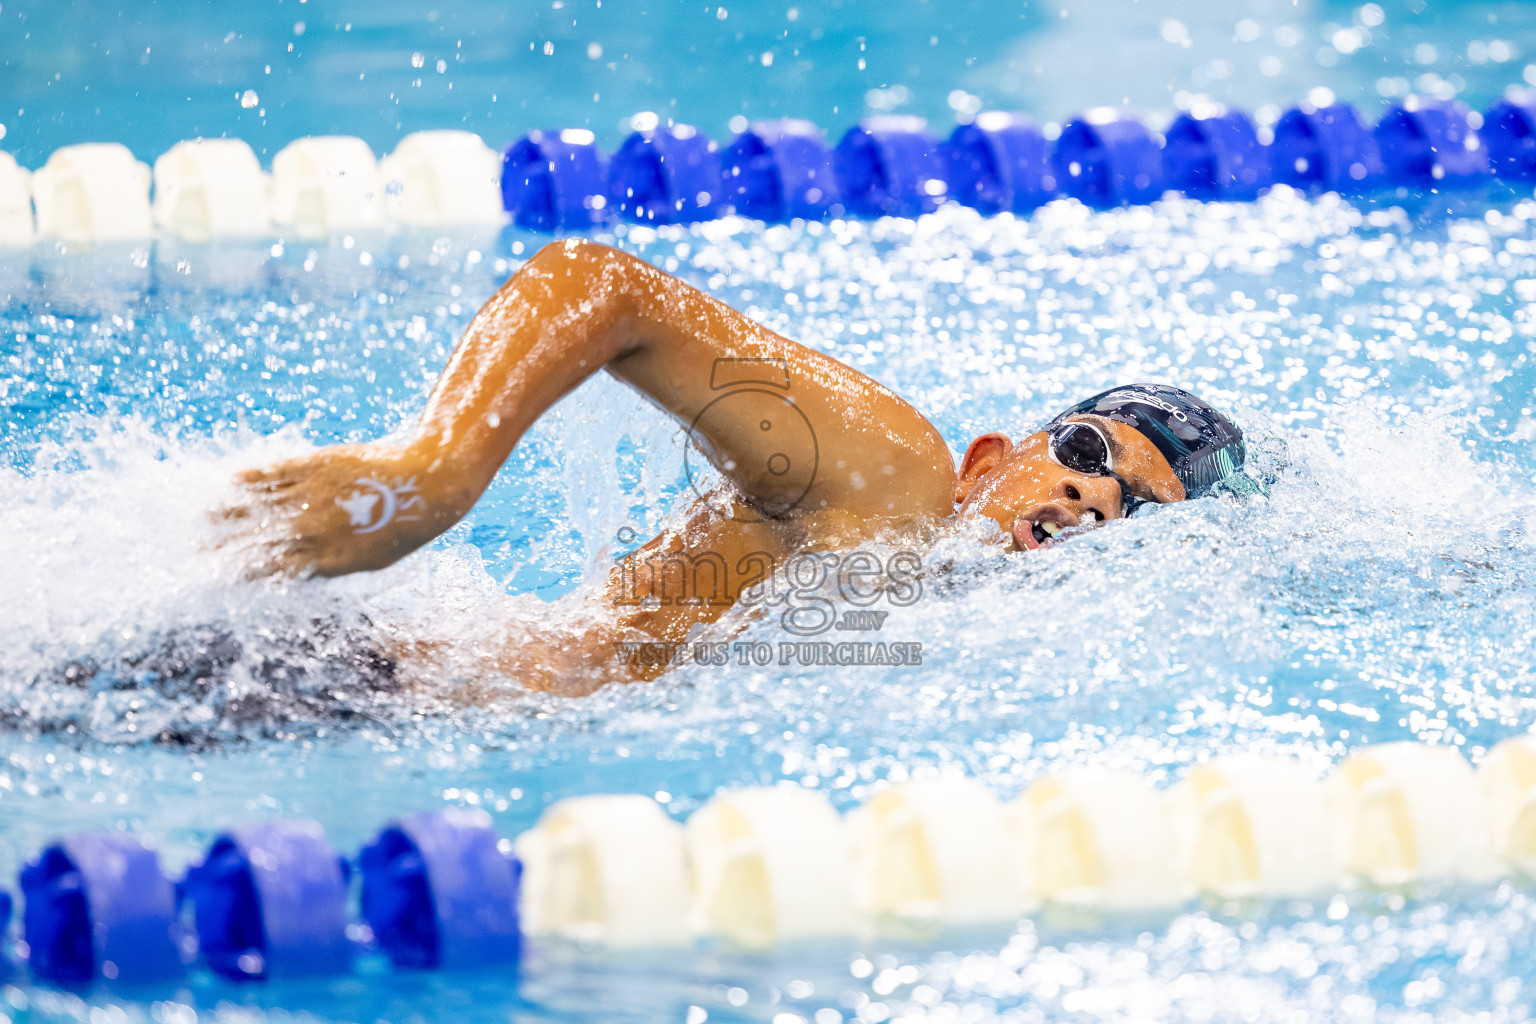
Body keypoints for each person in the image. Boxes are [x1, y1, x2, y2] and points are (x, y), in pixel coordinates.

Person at [227, 239, 1249, 693]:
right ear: (989, 462)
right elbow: (606, 288)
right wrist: (436, 471)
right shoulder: (894, 476)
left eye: (1132, 513)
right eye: (1084, 454)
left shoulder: (986, 642)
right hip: (352, 681)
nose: (1089, 497)